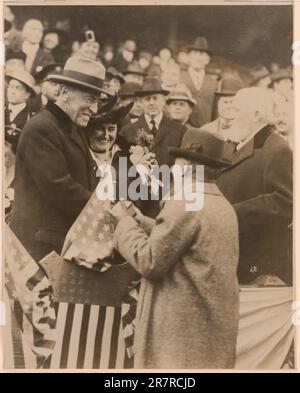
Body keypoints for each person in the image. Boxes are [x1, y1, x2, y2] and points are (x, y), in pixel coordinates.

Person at [109, 129, 239, 369]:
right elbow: (183, 243)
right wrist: (142, 221)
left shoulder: (185, 203)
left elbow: (149, 261)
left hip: (179, 337)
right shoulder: (221, 204)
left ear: (187, 166)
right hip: (207, 335)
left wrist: (124, 222)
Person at [10, 56, 106, 261]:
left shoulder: (72, 126)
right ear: (64, 93)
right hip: (39, 249)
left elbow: (87, 179)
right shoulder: (41, 128)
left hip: (60, 243)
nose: (95, 109)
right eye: (89, 99)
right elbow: (60, 187)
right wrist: (107, 209)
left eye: (97, 101)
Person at [217, 87, 293, 286]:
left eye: (237, 108)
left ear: (257, 115)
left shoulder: (277, 148)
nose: (229, 113)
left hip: (255, 259)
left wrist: (233, 212)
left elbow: (286, 202)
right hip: (229, 249)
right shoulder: (231, 144)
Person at [120, 77, 186, 167]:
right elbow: (123, 167)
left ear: (163, 101)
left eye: (155, 98)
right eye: (147, 99)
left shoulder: (179, 130)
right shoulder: (127, 132)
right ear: (142, 102)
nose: (151, 103)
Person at [180, 36, 218, 127]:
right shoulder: (179, 77)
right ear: (189, 56)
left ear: (208, 60)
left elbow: (215, 113)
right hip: (181, 130)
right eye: (195, 53)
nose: (198, 57)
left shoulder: (214, 84)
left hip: (205, 133)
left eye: (201, 54)